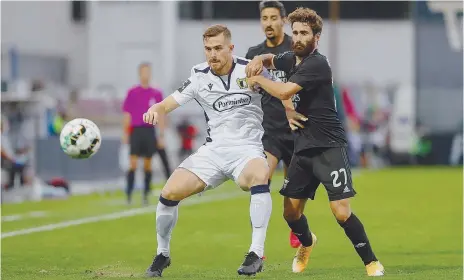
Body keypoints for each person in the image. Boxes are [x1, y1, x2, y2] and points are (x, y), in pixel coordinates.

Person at [246, 7, 384, 277]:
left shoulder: (317, 63)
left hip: (329, 147)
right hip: (303, 149)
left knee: (341, 212)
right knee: (290, 214)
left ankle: (371, 261)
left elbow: (284, 90)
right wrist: (260, 59)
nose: (297, 37)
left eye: (304, 33)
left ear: (316, 38)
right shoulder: (292, 58)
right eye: (295, 32)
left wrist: (257, 77)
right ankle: (307, 243)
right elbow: (272, 59)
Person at [142, 25, 287, 277]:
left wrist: (290, 107)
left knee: (260, 174)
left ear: (231, 48)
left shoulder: (250, 68)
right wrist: (155, 109)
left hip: (247, 150)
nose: (213, 54)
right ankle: (161, 255)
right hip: (213, 152)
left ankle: (256, 252)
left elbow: (283, 91)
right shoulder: (198, 76)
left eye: (218, 48)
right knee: (168, 193)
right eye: (208, 49)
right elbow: (169, 102)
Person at [245, 0, 306, 249]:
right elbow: (249, 86)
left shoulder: (296, 48)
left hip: (297, 130)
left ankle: (297, 225)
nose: (268, 23)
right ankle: (256, 245)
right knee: (260, 179)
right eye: (264, 18)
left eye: (273, 18)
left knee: (292, 198)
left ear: (283, 20)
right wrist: (250, 82)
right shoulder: (253, 53)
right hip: (268, 131)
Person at [122, 63, 172, 205]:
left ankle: (145, 195)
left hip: (149, 131)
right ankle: (129, 194)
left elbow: (162, 115)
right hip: (136, 131)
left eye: (148, 72)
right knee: (132, 164)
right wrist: (125, 133)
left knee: (148, 165)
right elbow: (127, 114)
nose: (146, 74)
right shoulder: (132, 92)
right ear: (140, 74)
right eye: (143, 72)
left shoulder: (156, 93)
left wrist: (161, 135)